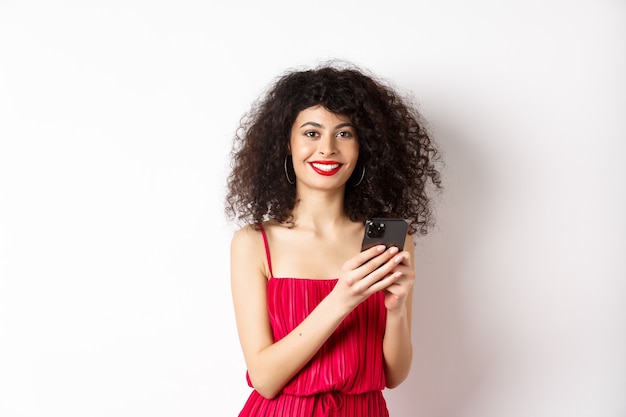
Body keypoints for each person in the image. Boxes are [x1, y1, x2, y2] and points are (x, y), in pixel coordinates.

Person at [224, 60, 442, 417]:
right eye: (311, 133)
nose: (327, 149)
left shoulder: (393, 241)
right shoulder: (253, 243)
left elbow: (394, 375)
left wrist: (396, 309)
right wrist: (343, 298)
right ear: (286, 144)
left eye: (344, 133)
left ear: (364, 146)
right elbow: (265, 378)